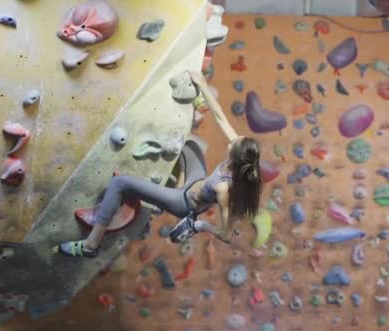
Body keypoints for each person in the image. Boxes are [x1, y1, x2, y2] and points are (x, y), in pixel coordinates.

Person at [54, 71, 263, 257]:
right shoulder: (245, 160)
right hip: (195, 182)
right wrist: (202, 85)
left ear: (235, 158)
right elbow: (221, 118)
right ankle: (174, 183)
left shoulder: (223, 189)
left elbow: (226, 236)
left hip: (184, 202)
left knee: (120, 184)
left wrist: (201, 225)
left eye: (234, 142)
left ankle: (91, 245)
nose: (233, 138)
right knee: (189, 145)